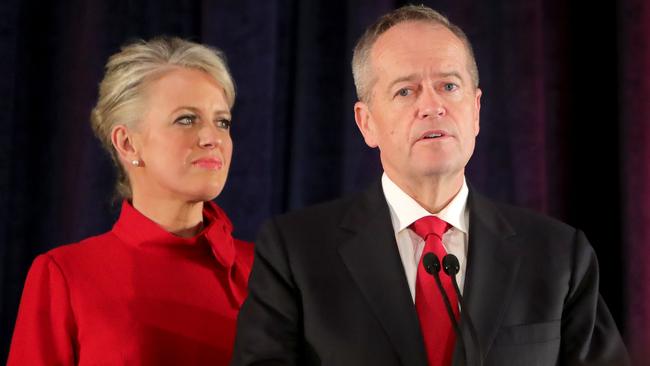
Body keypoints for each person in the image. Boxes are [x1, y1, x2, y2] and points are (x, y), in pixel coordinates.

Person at [232, 5, 628, 366]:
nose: (432, 105)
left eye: (449, 86)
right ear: (365, 122)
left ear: (475, 110)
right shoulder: (295, 253)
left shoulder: (560, 256)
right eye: (406, 91)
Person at [8, 37, 252, 365]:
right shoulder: (66, 275)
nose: (213, 138)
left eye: (222, 122)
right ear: (127, 143)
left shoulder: (267, 271)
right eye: (186, 119)